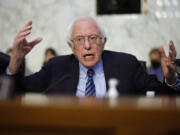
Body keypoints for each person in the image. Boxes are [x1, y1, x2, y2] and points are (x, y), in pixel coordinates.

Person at [7, 16, 180, 97]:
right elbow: (16, 91)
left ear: (104, 42)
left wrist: (171, 79)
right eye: (80, 40)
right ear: (71, 46)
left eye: (93, 38)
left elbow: (162, 97)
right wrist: (15, 60)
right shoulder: (56, 67)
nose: (87, 45)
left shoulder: (127, 64)